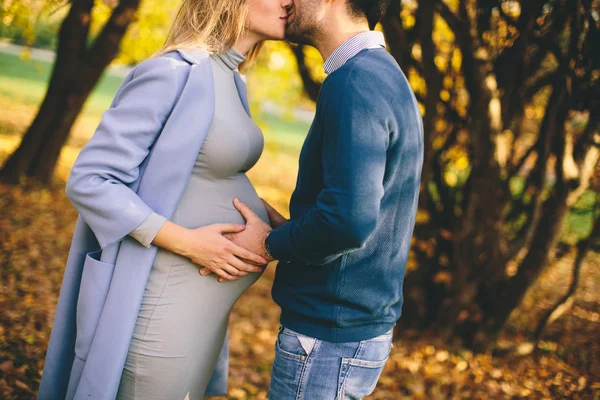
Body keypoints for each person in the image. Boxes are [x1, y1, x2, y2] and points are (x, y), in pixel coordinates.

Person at [37, 0, 292, 398]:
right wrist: (190, 243)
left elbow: (205, 170)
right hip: (160, 307)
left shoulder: (233, 78)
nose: (289, 1)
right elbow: (91, 179)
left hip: (200, 317)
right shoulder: (172, 72)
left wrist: (268, 219)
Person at [216, 0, 424, 397]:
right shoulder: (381, 72)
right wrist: (296, 228)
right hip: (345, 332)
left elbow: (348, 221)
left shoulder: (355, 81)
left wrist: (267, 243)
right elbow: (360, 210)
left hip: (328, 340)